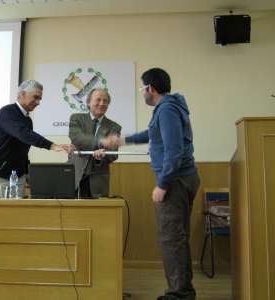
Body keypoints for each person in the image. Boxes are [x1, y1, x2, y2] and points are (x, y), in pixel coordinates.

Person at [102, 68, 200, 300]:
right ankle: (183, 291)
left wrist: (163, 184)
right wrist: (123, 140)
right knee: (177, 237)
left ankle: (179, 294)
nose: (142, 93)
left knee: (171, 239)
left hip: (174, 181)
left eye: (142, 88)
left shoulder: (166, 110)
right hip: (182, 178)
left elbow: (174, 151)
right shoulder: (168, 108)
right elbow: (152, 133)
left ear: (150, 89)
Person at [0, 80, 74, 198]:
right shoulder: (6, 112)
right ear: (23, 94)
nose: (38, 102)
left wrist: (28, 174)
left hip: (17, 180)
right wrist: (52, 145)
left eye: (40, 99)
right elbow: (22, 133)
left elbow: (22, 151)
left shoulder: (28, 120)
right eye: (36, 97)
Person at [67, 88, 121, 198]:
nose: (102, 103)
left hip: (98, 181)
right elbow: (77, 138)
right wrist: (101, 141)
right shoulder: (76, 118)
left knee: (96, 214)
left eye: (105, 101)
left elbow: (113, 154)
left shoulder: (114, 127)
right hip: (74, 177)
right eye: (98, 100)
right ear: (88, 102)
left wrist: (99, 157)